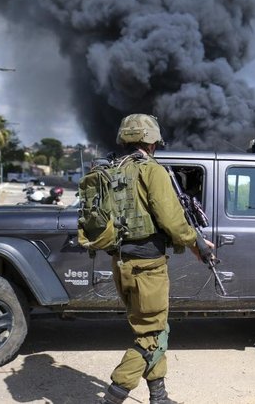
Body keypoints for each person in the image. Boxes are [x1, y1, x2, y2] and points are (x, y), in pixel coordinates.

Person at [101, 114, 215, 404]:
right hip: (147, 268)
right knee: (150, 337)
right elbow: (173, 221)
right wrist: (196, 242)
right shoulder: (152, 171)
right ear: (151, 142)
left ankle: (159, 396)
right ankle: (112, 398)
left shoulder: (112, 170)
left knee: (157, 328)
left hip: (121, 264)